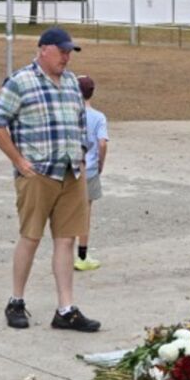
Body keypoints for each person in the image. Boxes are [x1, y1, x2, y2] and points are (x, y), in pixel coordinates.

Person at [0, 26, 100, 333]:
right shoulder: (20, 82)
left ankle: (66, 309)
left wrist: (81, 152)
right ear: (43, 50)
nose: (66, 57)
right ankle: (16, 301)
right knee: (31, 237)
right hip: (37, 175)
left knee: (66, 240)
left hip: (70, 173)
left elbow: (79, 123)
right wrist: (19, 161)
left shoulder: (72, 84)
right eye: (62, 51)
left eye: (69, 53)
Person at [73, 75, 109, 272]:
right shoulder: (98, 117)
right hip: (91, 169)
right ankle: (82, 255)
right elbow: (102, 142)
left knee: (68, 212)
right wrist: (101, 163)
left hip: (72, 169)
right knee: (85, 213)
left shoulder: (71, 114)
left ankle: (64, 251)